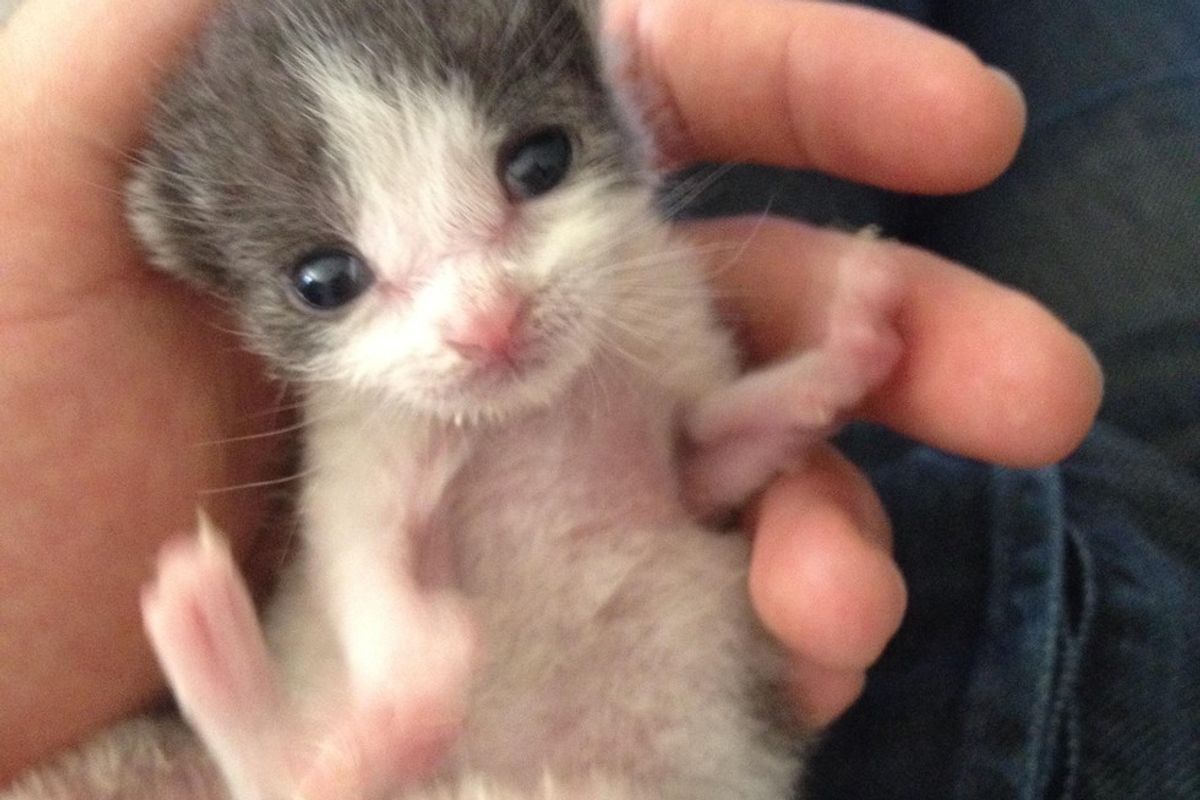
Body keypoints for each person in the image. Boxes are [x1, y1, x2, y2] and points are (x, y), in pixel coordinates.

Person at [1, 0, 1170, 796]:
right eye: (333, 282)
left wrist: (808, 385)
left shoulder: (631, 286)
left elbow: (697, 466)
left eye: (535, 166)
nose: (486, 319)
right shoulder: (372, 410)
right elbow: (371, 551)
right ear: (209, 276)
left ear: (595, 71)